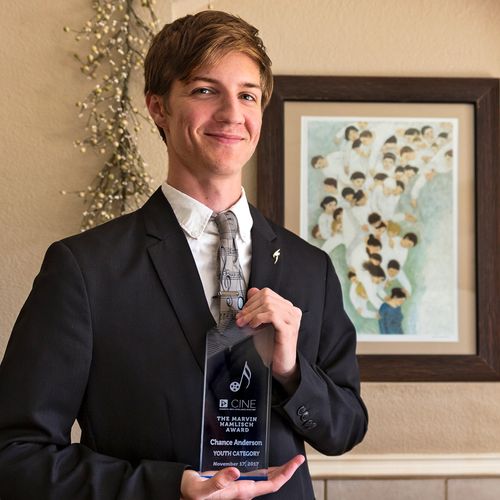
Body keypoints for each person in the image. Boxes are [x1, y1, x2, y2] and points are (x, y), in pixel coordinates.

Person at [0, 10, 367, 500]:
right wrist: (166, 487)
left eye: (247, 95)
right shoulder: (84, 270)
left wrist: (290, 372)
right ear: (158, 108)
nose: (232, 114)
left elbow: (344, 429)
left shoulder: (311, 268)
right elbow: (15, 454)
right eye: (204, 90)